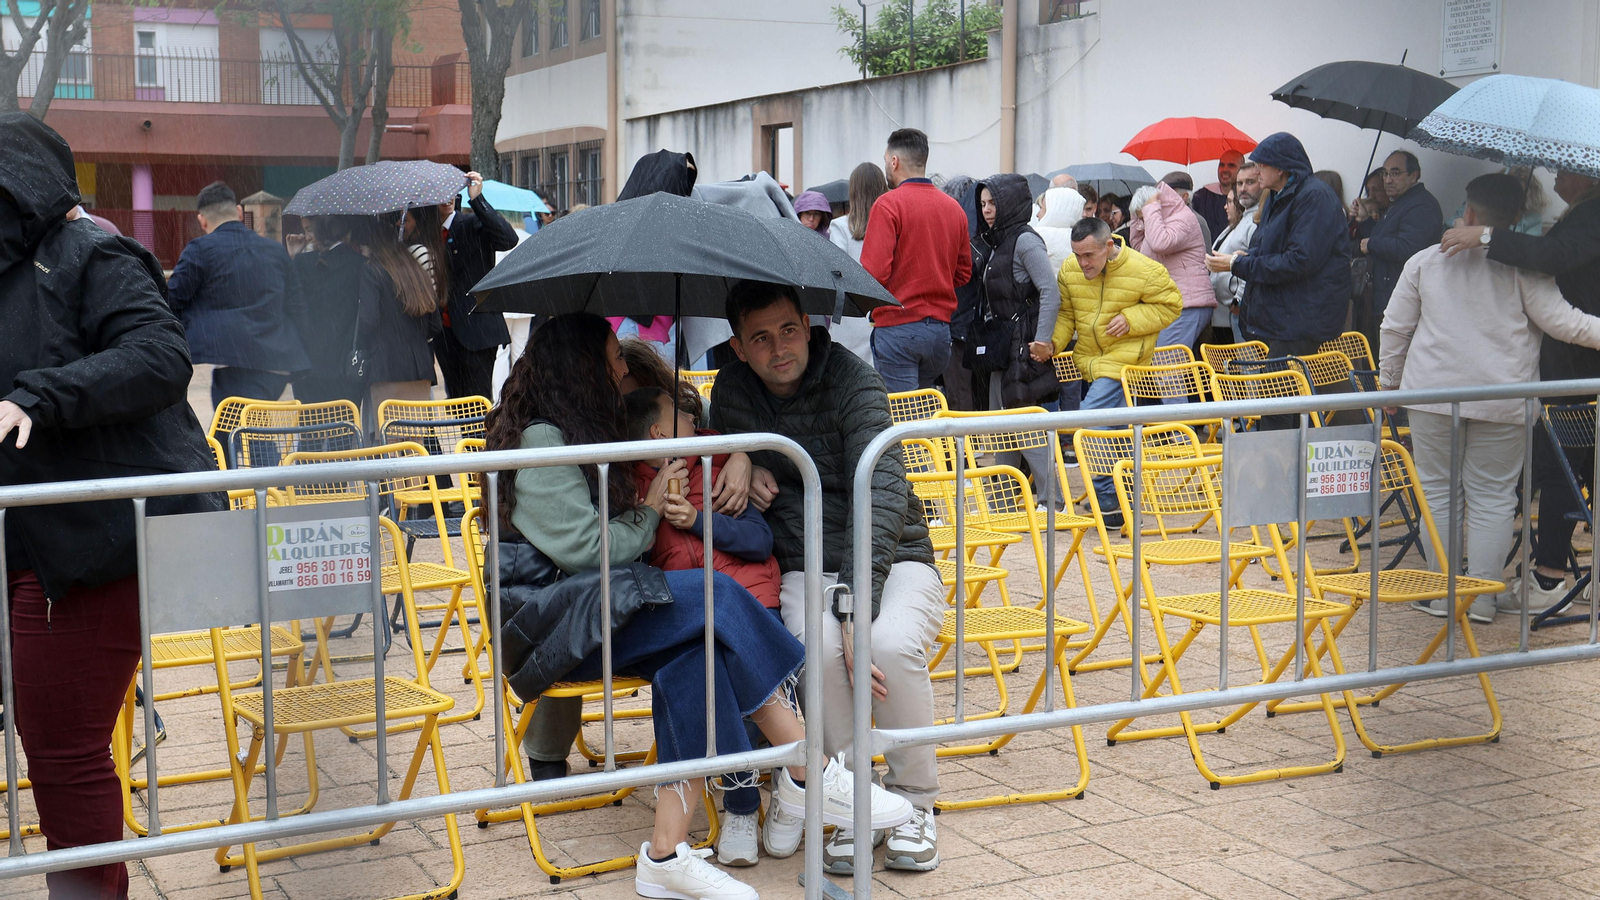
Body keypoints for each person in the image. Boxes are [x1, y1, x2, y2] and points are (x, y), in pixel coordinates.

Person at [493, 314, 909, 899]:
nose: (622, 367)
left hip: (597, 611)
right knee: (716, 596)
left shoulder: (581, 426)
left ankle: (664, 856)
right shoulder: (542, 438)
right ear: (579, 365)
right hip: (555, 630)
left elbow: (693, 420)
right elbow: (588, 552)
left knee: (701, 649)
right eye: (613, 356)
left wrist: (740, 454)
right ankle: (806, 767)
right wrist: (652, 511)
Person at [0, 112, 224, 900]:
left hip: (91, 544)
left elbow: (161, 356)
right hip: (26, 535)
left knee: (63, 748)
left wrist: (40, 396)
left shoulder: (95, 252)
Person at [709, 281, 945, 874]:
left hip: (895, 554)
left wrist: (853, 605)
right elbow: (726, 449)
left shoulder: (853, 379)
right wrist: (744, 454)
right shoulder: (733, 390)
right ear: (737, 347)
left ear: (809, 323)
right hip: (803, 559)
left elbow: (883, 490)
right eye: (760, 338)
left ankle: (916, 801)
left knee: (883, 644)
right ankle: (850, 801)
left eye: (789, 329)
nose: (779, 347)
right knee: (817, 650)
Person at [1380, 173, 1600, 625]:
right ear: (1518, 218)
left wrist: (1389, 385)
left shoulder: (1424, 261)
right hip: (1505, 399)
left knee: (1438, 494)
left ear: (1471, 212)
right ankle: (1480, 598)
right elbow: (1568, 325)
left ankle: (1444, 594)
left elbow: (1395, 327)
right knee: (1494, 498)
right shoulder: (1524, 268)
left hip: (1433, 396)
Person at [1207, 132, 1352, 419]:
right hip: (1281, 318)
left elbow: (1299, 261)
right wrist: (1241, 259)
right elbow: (1265, 249)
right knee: (1290, 403)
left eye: (1261, 166)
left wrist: (1237, 266)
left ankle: (1287, 460)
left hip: (1301, 318)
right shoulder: (1276, 197)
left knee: (1281, 408)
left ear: (1281, 168)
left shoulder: (1315, 197)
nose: (1256, 170)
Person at [1047, 217, 1182, 520]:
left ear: (1109, 246)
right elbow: (1067, 314)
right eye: (1077, 254)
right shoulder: (1070, 270)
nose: (1082, 263)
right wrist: (1053, 344)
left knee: (1090, 424)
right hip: (1091, 361)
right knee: (1117, 434)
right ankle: (1124, 503)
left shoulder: (1145, 270)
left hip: (1125, 363)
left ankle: (1108, 498)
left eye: (1089, 255)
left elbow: (1172, 305)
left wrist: (1132, 319)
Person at [167, 180, 310, 410]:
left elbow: (171, 301)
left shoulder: (200, 250)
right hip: (278, 364)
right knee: (238, 434)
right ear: (240, 212)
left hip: (234, 363)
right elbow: (297, 307)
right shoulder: (275, 251)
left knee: (243, 435)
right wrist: (302, 355)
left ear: (201, 220)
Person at [973, 174, 1066, 503]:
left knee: (1022, 422)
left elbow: (1049, 291)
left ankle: (1051, 500)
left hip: (1023, 346)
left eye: (993, 202)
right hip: (1003, 346)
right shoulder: (999, 240)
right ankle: (1002, 500)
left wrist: (1042, 341)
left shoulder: (1025, 240)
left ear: (1009, 203)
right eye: (982, 203)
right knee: (1003, 423)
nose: (986, 210)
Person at [861, 128, 973, 392]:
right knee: (922, 413)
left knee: (904, 419)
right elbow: (963, 273)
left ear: (894, 161)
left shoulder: (888, 205)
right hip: (939, 332)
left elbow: (873, 274)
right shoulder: (953, 208)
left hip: (898, 327)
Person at [350, 215, 440, 439]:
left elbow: (368, 320)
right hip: (419, 368)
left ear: (372, 244)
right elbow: (435, 324)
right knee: (415, 444)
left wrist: (361, 344)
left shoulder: (372, 271)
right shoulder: (415, 270)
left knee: (389, 445)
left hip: (386, 367)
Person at [435, 172, 517, 401]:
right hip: (446, 335)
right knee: (456, 402)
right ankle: (467, 438)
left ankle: (482, 439)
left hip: (477, 332)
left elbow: (508, 239)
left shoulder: (471, 223)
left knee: (477, 403)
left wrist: (477, 199)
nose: (447, 197)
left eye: (451, 191)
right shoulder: (427, 233)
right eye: (441, 192)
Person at [1130, 181, 1214, 362]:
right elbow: (1139, 251)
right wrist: (1136, 218)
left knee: (1167, 370)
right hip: (1176, 304)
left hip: (1188, 304)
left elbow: (1161, 243)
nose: (1144, 221)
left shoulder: (1182, 218)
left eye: (1143, 216)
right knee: (1169, 369)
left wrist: (1150, 207)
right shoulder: (1156, 223)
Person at [288, 216, 367, 406]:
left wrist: (292, 257)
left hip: (308, 365)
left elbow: (291, 305)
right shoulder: (359, 263)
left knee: (309, 430)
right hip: (344, 365)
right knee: (344, 429)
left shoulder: (302, 263)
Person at [1362, 151, 1444, 321]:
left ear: (1414, 176)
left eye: (1395, 173)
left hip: (1401, 301)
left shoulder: (1421, 205)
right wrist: (1364, 220)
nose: (1387, 180)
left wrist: (1372, 244)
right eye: (1385, 173)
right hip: (1387, 296)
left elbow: (1409, 248)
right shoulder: (1400, 202)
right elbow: (1383, 235)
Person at [939, 175, 985, 411]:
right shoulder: (984, 237)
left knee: (959, 391)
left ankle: (965, 446)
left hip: (956, 326)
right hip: (977, 326)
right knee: (971, 390)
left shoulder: (957, 235)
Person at [1209, 162, 1263, 344]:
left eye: (1250, 182)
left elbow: (1252, 260)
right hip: (1229, 311)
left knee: (1248, 368)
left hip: (1242, 310)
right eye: (1239, 183)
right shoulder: (1245, 219)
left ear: (1262, 183)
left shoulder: (1257, 220)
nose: (1243, 189)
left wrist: (1239, 300)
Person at [1033, 186, 1087, 275]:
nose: (1038, 215)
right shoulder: (1086, 237)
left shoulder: (1040, 235)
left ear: (1054, 211)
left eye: (1042, 209)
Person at [1192, 149, 1243, 239]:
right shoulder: (1201, 197)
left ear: (1241, 169)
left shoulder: (1244, 199)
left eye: (1231, 166)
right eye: (1221, 165)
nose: (1225, 169)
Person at [1158, 171, 1212, 250]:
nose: (1162, 198)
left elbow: (1205, 258)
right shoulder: (1162, 217)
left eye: (1168, 193)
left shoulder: (1198, 222)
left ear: (1184, 196)